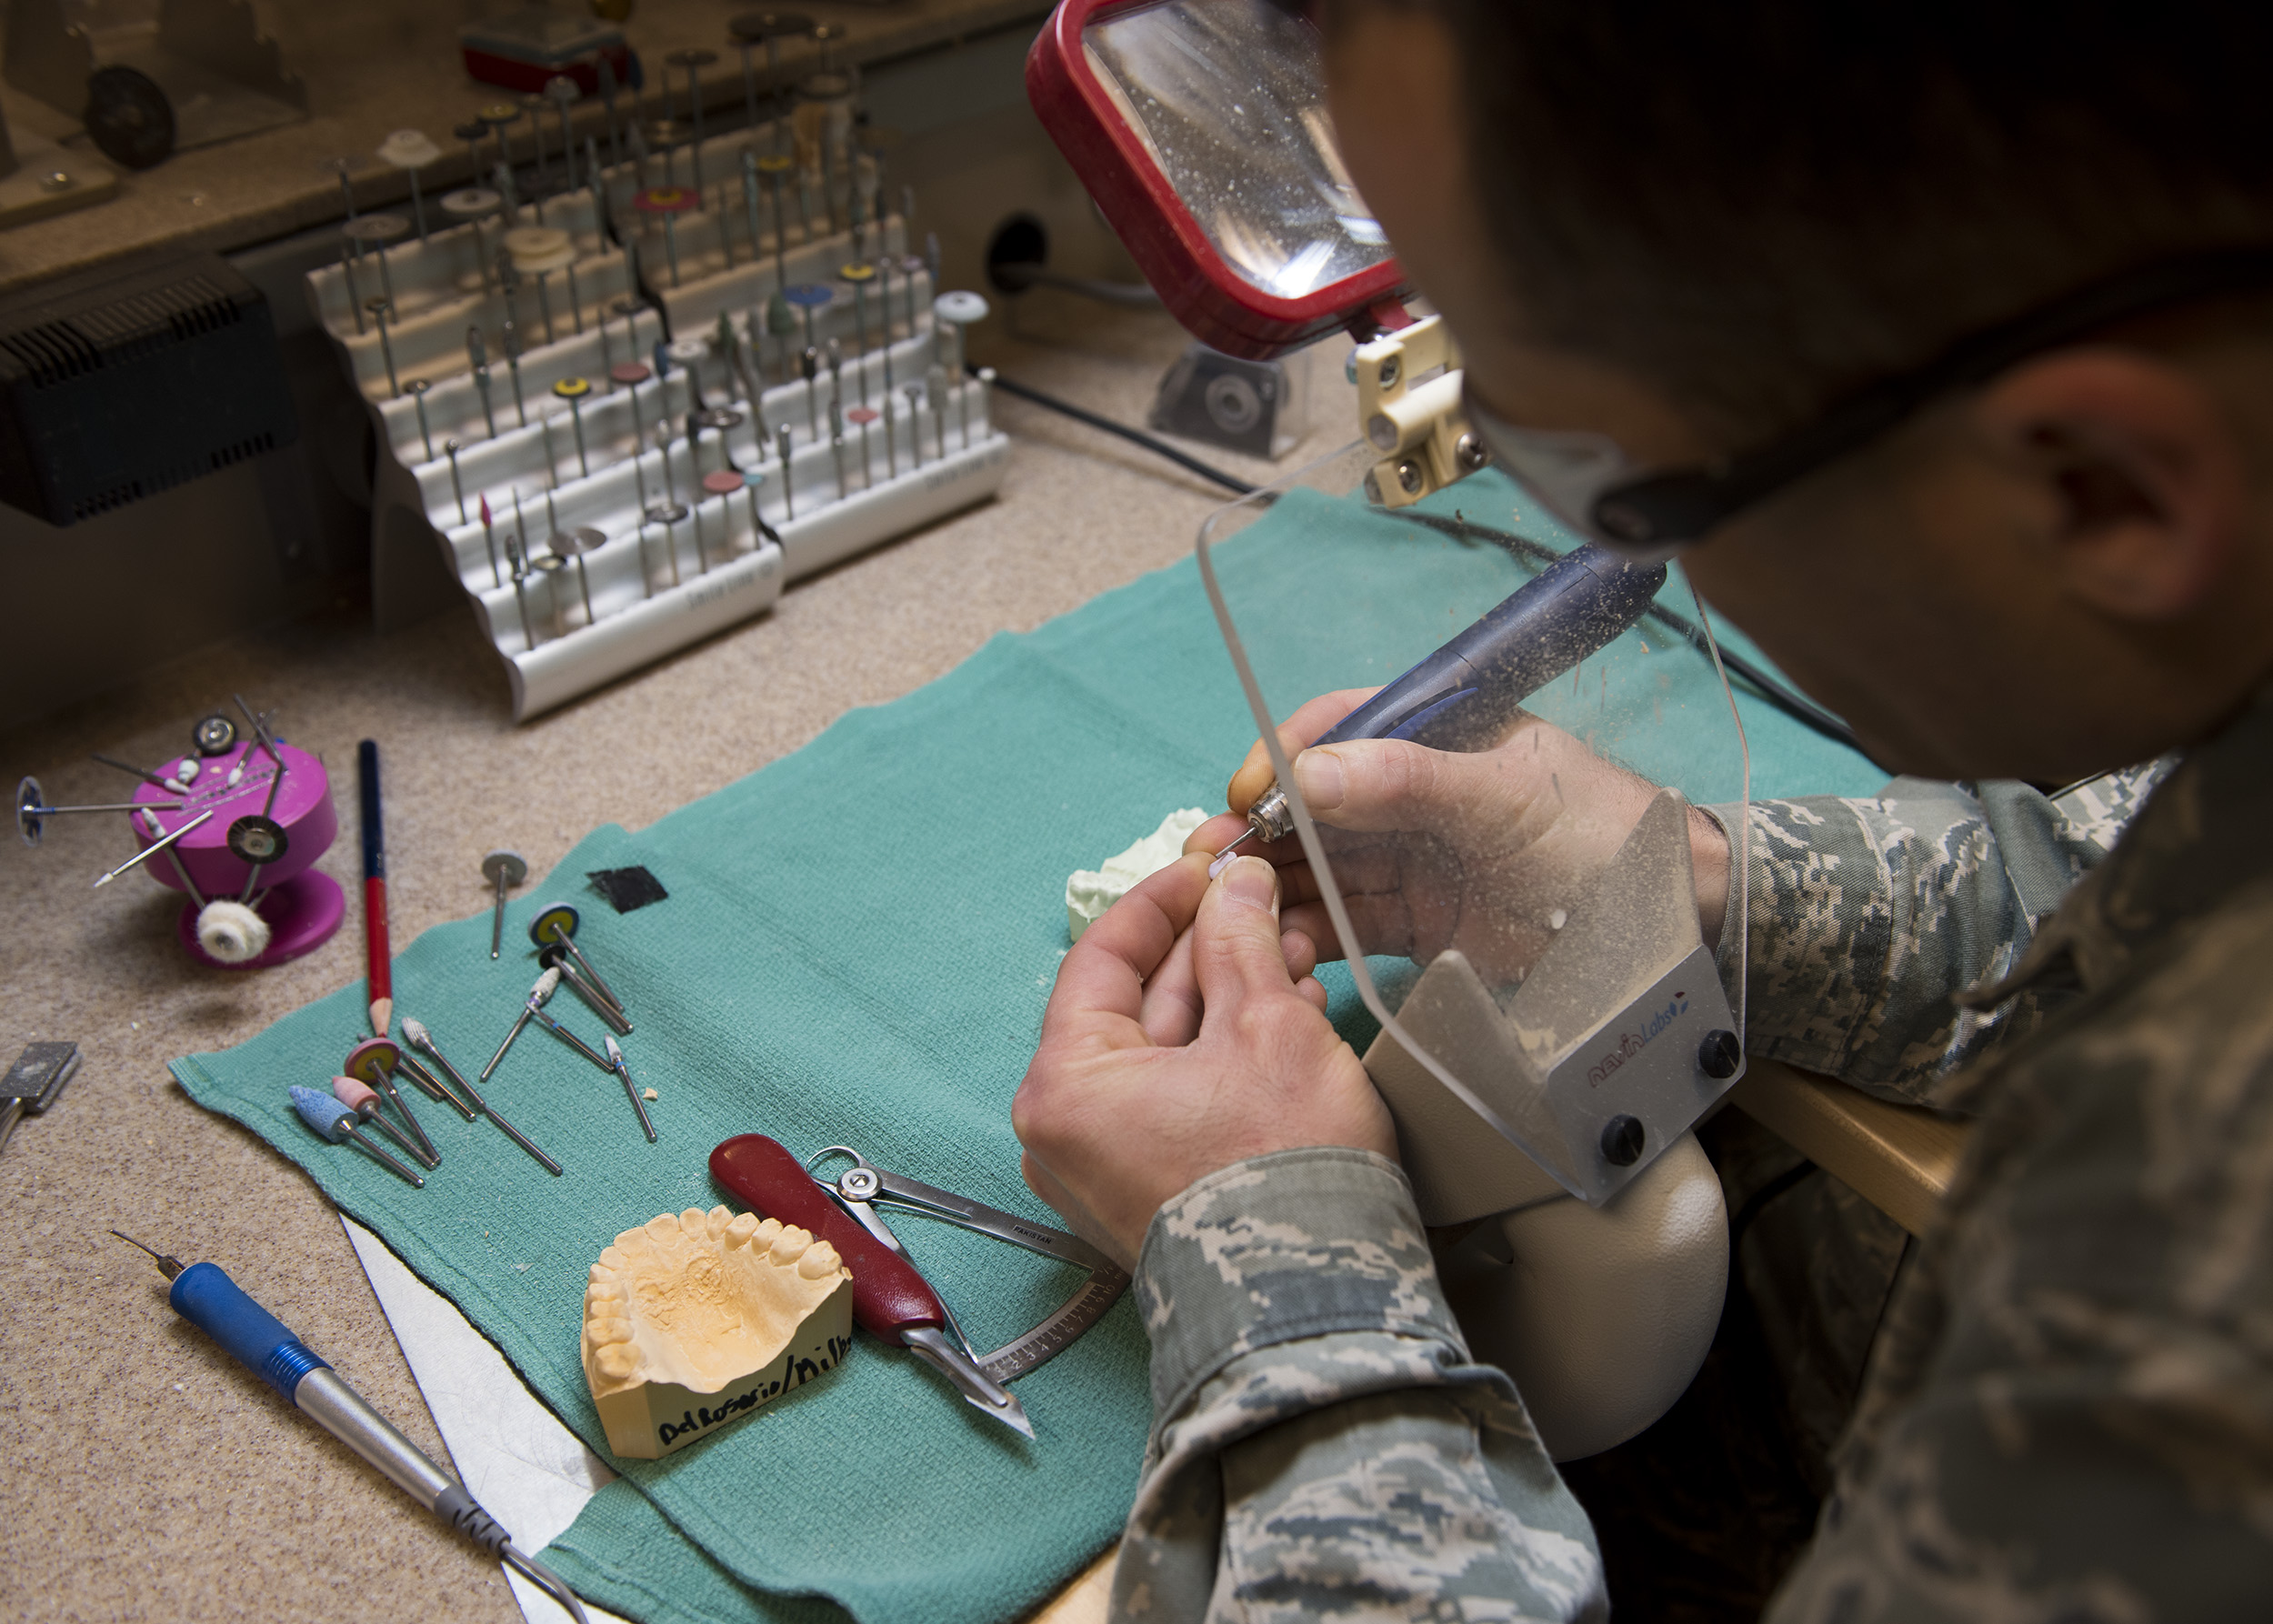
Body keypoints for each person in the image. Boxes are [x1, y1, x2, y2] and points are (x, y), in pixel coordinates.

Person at [1011, 2, 2273, 1618]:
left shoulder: (2191, 1292)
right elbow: (2122, 869)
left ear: (2101, 490)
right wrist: (1685, 880)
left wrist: (1278, 1266)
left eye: (1601, 471)